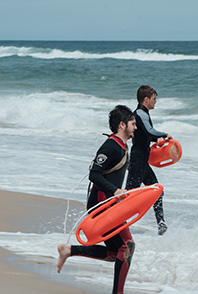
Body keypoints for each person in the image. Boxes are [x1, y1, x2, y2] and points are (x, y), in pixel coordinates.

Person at [57, 105, 137, 294]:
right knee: (127, 247)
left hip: (111, 204)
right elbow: (94, 174)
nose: (136, 127)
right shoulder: (111, 146)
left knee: (114, 253)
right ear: (122, 125)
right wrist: (115, 190)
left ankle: (68, 250)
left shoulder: (123, 146)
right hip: (101, 203)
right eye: (133, 124)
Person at [125, 85, 172, 236]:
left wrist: (156, 139)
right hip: (138, 159)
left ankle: (161, 224)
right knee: (129, 196)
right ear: (146, 99)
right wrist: (165, 134)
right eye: (154, 99)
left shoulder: (141, 114)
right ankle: (114, 222)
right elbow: (149, 131)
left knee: (157, 191)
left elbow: (146, 135)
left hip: (142, 160)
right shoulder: (140, 113)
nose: (155, 102)